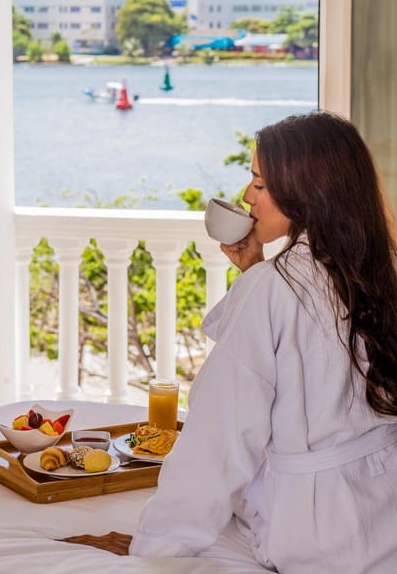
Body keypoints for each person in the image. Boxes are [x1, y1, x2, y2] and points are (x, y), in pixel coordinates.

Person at [65, 111, 397, 571]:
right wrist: (257, 273)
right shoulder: (376, 273)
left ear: (306, 191)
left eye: (259, 183)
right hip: (381, 514)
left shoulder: (275, 289)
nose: (246, 196)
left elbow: (217, 442)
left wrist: (154, 550)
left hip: (318, 537)